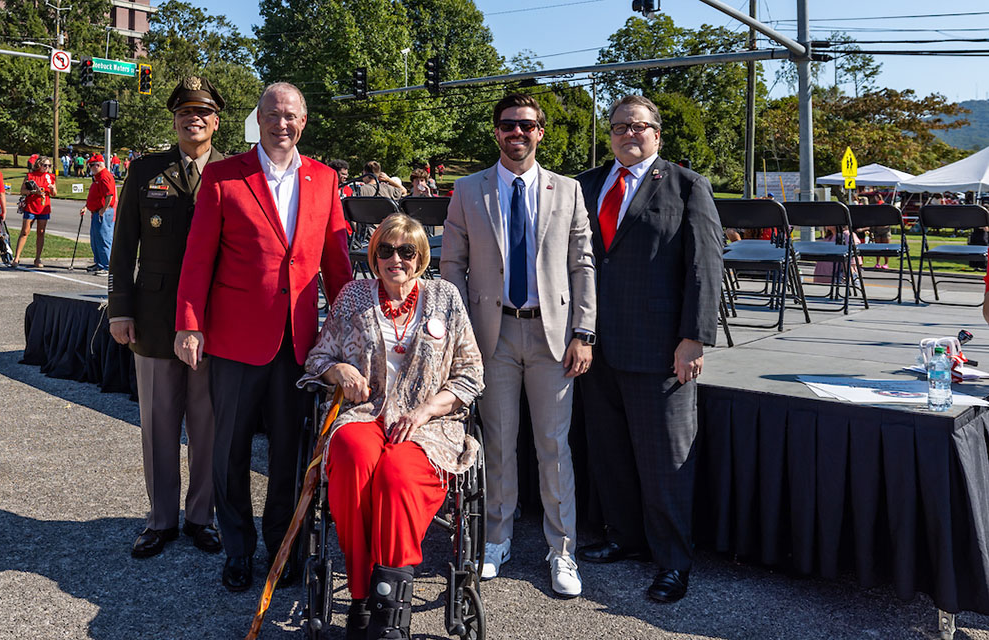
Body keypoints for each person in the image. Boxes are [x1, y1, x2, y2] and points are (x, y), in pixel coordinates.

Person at [173, 82, 352, 594]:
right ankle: (238, 548)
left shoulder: (325, 179)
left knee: (288, 457)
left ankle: (282, 545)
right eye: (272, 115)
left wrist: (347, 332)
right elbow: (198, 256)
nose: (282, 124)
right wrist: (189, 322)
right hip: (235, 340)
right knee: (227, 450)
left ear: (304, 121)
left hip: (299, 343)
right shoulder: (225, 176)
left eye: (291, 116)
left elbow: (336, 266)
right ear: (258, 119)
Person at [441, 92, 596, 598]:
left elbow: (582, 265)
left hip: (554, 338)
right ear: (496, 131)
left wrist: (584, 331)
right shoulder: (468, 190)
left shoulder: (568, 190)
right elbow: (451, 267)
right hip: (493, 335)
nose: (517, 133)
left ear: (540, 132)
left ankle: (563, 550)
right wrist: (459, 334)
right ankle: (497, 539)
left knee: (554, 448)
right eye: (508, 124)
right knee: (499, 445)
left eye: (527, 125)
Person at [301, 213, 483, 639]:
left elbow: (470, 373)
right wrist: (341, 370)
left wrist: (425, 412)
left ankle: (390, 613)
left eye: (406, 251)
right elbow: (317, 360)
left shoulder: (445, 297)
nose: (395, 259)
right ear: (374, 254)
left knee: (397, 475)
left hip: (427, 423)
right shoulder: (352, 296)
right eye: (385, 250)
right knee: (352, 455)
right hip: (365, 413)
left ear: (421, 257)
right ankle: (361, 600)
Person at [574, 94, 723, 603]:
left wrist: (694, 337)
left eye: (639, 126)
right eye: (619, 127)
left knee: (666, 463)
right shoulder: (587, 184)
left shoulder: (687, 186)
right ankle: (624, 538)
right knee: (610, 455)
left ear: (657, 134)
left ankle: (672, 563)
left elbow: (705, 267)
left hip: (662, 350)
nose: (628, 135)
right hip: (596, 349)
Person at [109, 77, 227, 560]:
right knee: (158, 422)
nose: (192, 119)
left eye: (202, 112)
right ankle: (160, 520)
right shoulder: (144, 171)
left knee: (208, 424)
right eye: (184, 112)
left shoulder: (235, 172)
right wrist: (120, 310)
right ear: (174, 120)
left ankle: (202, 516)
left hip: (215, 318)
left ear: (216, 121)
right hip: (155, 317)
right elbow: (123, 249)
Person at [14, 156, 57, 268]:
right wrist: (34, 191)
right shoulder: (30, 176)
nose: (47, 167)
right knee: (25, 231)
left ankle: (37, 258)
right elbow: (22, 190)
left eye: (49, 165)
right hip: (31, 207)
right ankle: (17, 258)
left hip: (44, 207)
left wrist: (52, 189)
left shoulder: (50, 177)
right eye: (45, 165)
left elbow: (54, 193)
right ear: (39, 165)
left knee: (41, 232)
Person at [79, 154, 117, 275]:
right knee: (95, 239)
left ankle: (106, 266)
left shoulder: (105, 176)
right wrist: (86, 206)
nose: (90, 168)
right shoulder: (97, 177)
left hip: (104, 212)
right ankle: (99, 263)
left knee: (104, 238)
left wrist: (104, 209)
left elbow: (109, 194)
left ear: (98, 165)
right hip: (96, 211)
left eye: (91, 165)